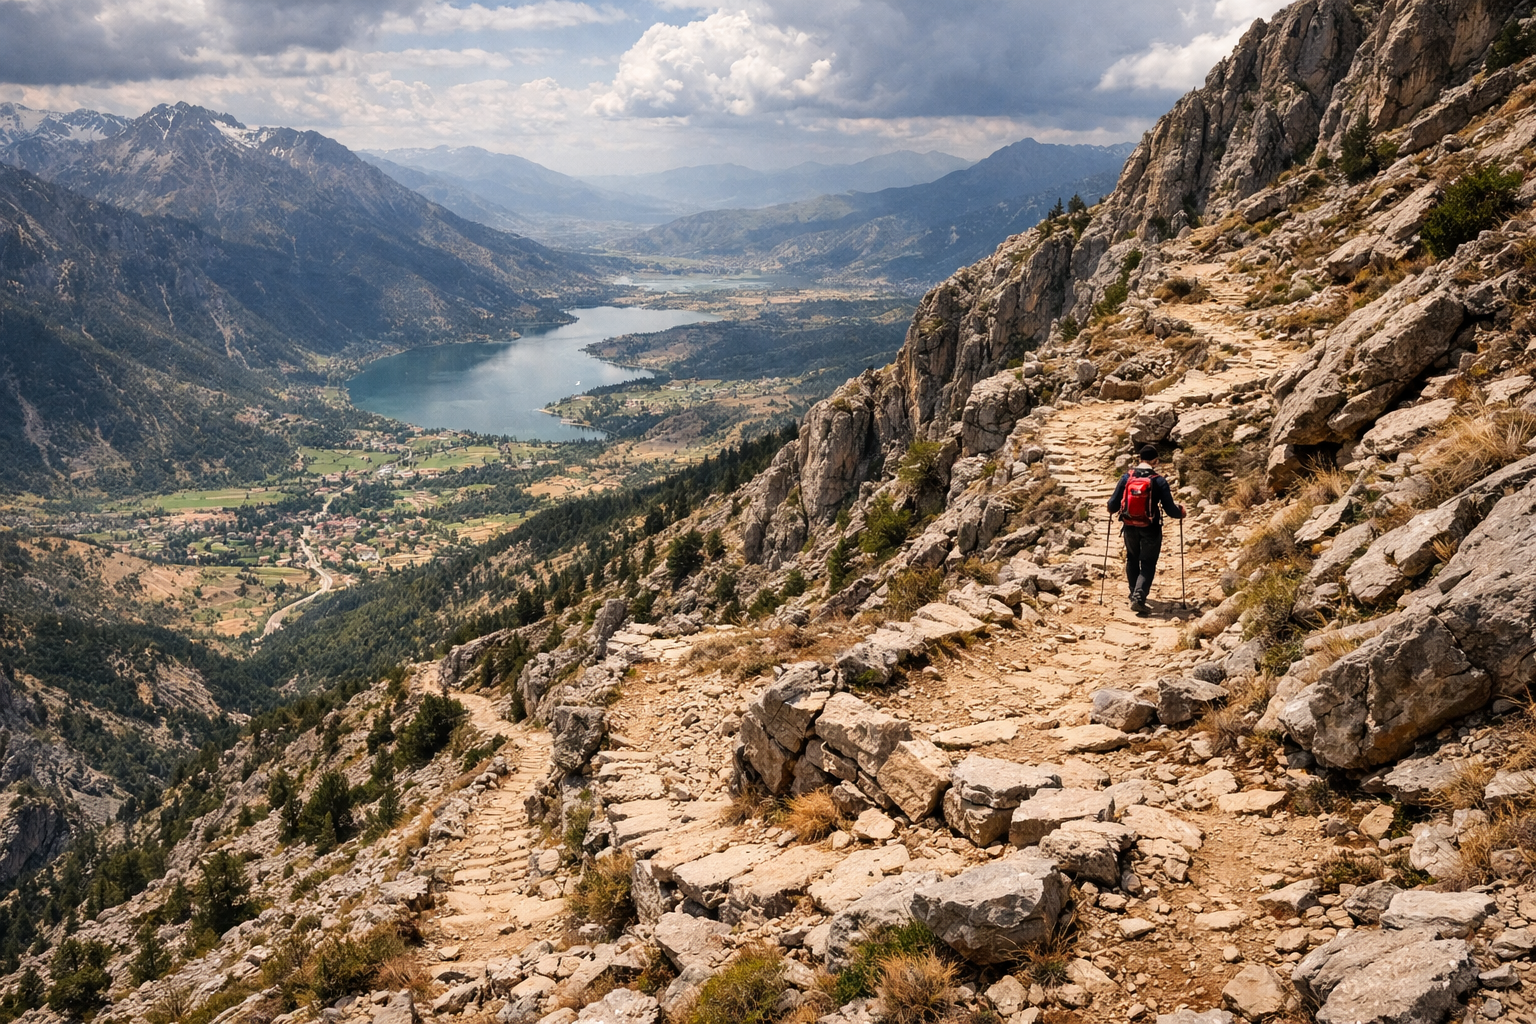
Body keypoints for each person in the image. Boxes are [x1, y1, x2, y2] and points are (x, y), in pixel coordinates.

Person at [1107, 444, 1185, 615]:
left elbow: (1112, 505)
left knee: (1132, 558)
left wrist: (1112, 508)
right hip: (1150, 527)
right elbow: (1171, 510)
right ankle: (1139, 597)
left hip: (1129, 526)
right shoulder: (1158, 480)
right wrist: (1181, 512)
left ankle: (1133, 591)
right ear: (1155, 461)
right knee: (1148, 562)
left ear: (1140, 459)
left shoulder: (1127, 477)